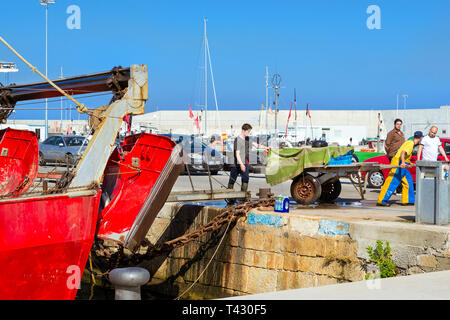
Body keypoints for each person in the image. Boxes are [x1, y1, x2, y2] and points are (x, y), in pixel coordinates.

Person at [377, 131, 424, 207]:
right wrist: (402, 162)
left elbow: (405, 155)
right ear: (420, 138)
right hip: (398, 163)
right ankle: (382, 200)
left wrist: (408, 163)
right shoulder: (411, 144)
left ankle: (408, 200)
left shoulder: (409, 142)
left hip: (403, 163)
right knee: (392, 182)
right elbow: (403, 152)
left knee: (408, 181)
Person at [227, 123, 269, 195]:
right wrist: (241, 164)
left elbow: (256, 145)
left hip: (244, 162)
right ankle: (229, 196)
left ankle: (243, 195)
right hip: (236, 163)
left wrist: (266, 147)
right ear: (243, 130)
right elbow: (237, 154)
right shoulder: (238, 140)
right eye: (248, 131)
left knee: (246, 178)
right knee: (232, 180)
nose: (249, 133)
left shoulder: (247, 139)